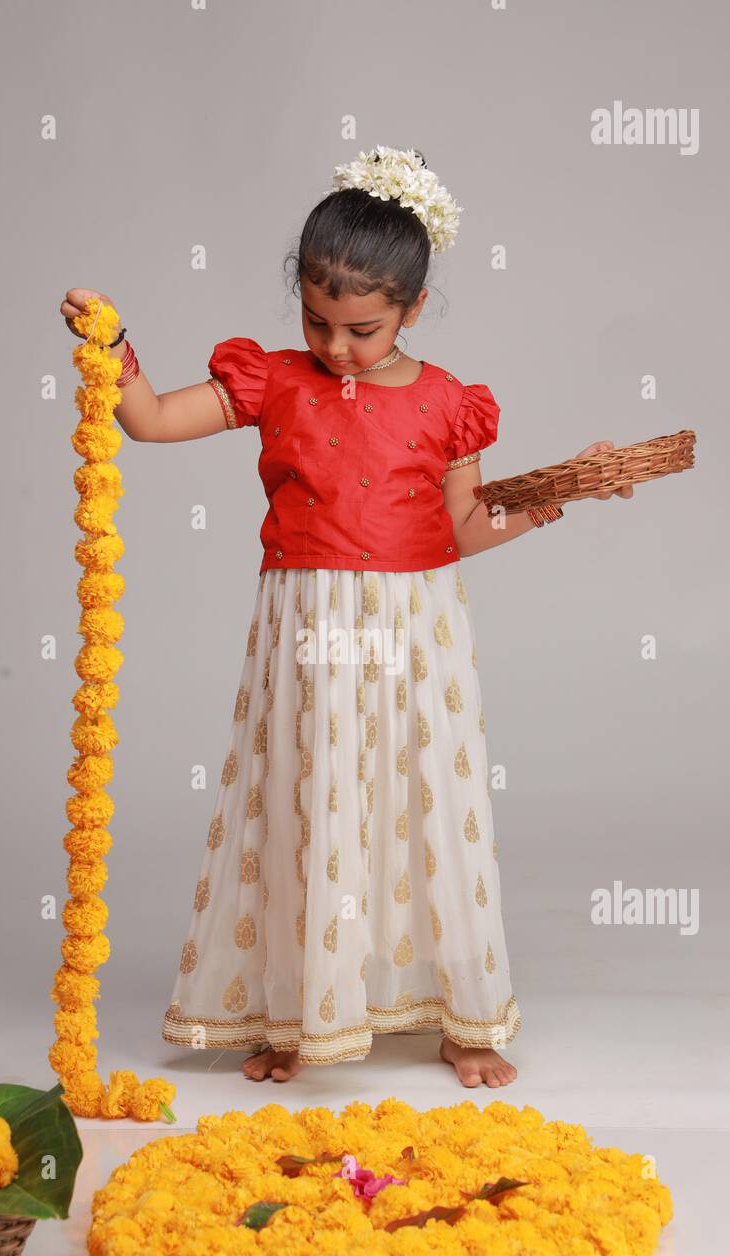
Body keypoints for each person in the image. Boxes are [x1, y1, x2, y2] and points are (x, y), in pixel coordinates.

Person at [60, 145, 631, 1088]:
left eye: (362, 328)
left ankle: (461, 1015)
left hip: (415, 628)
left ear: (412, 306)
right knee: (307, 792)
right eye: (317, 321)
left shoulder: (449, 405)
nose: (336, 348)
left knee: (422, 798)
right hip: (307, 626)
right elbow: (152, 419)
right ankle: (299, 1012)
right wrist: (110, 348)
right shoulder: (277, 381)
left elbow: (459, 529)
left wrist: (560, 495)